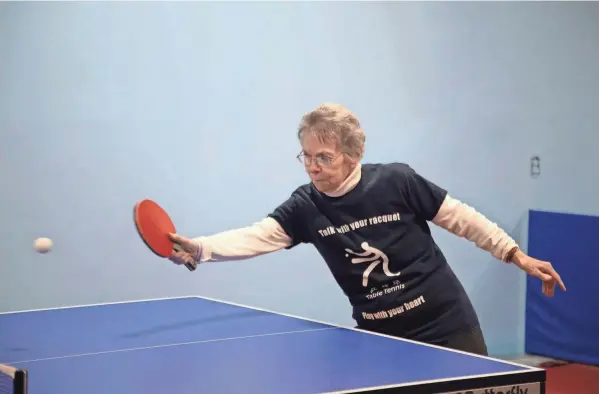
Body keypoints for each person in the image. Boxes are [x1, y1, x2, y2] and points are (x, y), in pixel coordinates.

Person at [168, 103, 566, 355]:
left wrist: (516, 254)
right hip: (381, 335)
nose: (312, 167)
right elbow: (258, 235)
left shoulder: (397, 181)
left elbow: (463, 219)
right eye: (306, 156)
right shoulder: (306, 205)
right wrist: (200, 248)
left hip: (447, 326)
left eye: (323, 157)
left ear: (354, 153)